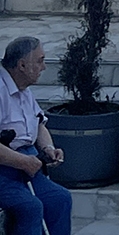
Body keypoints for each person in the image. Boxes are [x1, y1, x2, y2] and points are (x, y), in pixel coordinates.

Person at [0, 37, 71, 235]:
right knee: (30, 206)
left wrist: (48, 148)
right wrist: (23, 162)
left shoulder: (24, 90)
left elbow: (39, 124)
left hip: (29, 163)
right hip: (5, 168)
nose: (44, 67)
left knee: (60, 198)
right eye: (40, 61)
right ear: (22, 65)